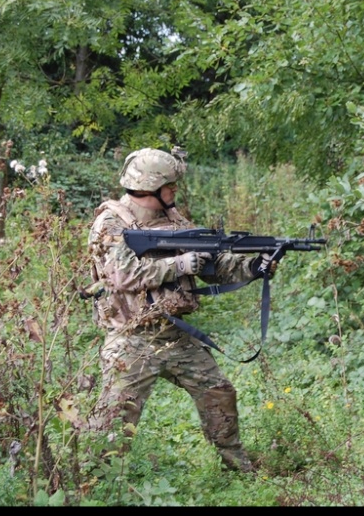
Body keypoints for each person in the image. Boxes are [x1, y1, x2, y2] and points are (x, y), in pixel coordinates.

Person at [85, 147, 275, 473]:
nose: (175, 190)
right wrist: (178, 265)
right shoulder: (110, 224)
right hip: (131, 339)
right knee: (114, 417)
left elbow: (213, 265)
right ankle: (94, 480)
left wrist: (255, 266)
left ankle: (238, 467)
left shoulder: (173, 219)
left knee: (219, 392)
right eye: (171, 185)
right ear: (150, 187)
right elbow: (121, 275)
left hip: (173, 334)